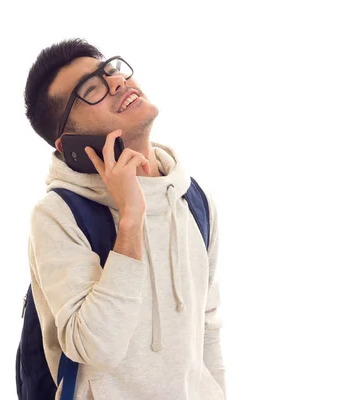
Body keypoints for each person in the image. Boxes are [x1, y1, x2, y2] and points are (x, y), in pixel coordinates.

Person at [23, 38, 227, 400]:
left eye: (110, 71)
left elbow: (207, 328)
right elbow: (96, 348)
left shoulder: (194, 199)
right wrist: (131, 218)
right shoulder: (59, 215)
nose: (116, 83)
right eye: (91, 89)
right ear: (69, 143)